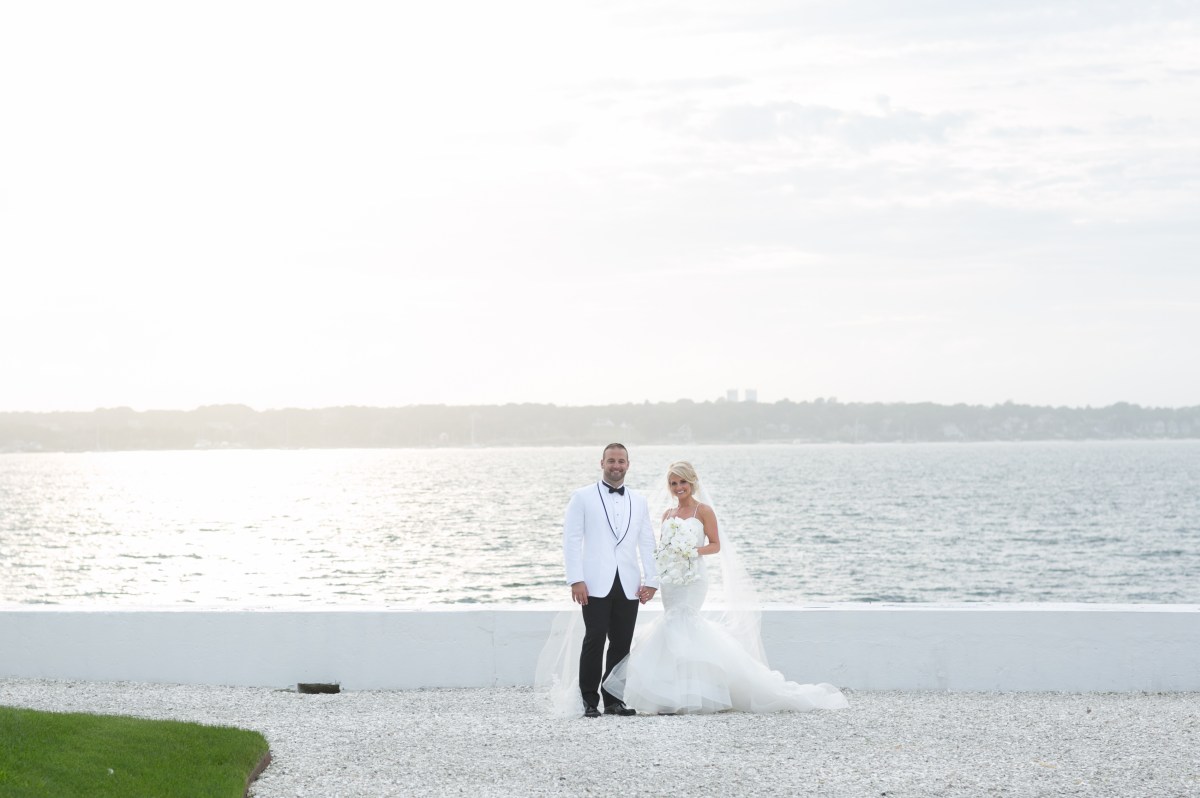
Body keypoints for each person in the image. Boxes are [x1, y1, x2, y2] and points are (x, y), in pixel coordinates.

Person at [602, 460, 848, 714]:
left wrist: (691, 550)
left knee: (685, 621)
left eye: (683, 482)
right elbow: (662, 548)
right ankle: (671, 696)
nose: (678, 487)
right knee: (671, 622)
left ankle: (694, 694)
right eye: (674, 483)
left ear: (692, 482)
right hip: (671, 580)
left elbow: (715, 545)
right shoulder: (668, 514)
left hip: (694, 577)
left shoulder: (703, 511)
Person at [561, 443, 660, 718]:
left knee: (621, 643)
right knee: (594, 639)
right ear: (601, 463)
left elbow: (647, 540)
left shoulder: (639, 501)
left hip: (628, 582)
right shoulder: (582, 497)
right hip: (593, 582)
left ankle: (614, 700)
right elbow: (571, 540)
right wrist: (575, 579)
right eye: (611, 461)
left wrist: (652, 581)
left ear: (628, 464)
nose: (616, 466)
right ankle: (589, 701)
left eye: (621, 461)